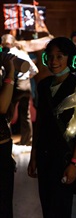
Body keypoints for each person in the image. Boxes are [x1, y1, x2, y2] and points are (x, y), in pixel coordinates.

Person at [27, 37, 76, 218]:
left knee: (61, 207)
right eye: (50, 56)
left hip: (63, 158)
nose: (54, 61)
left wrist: (74, 163)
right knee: (47, 206)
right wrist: (34, 155)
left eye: (60, 56)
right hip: (44, 155)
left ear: (70, 58)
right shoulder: (44, 85)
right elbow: (40, 122)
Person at [1, 34, 39, 146]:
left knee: (7, 113)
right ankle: (27, 141)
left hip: (15, 85)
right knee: (25, 114)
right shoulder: (23, 53)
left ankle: (6, 139)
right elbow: (35, 70)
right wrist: (27, 77)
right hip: (26, 85)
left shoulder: (7, 55)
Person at [0, 50, 17, 218]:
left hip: (4, 147)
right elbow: (2, 107)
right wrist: (10, 72)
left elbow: (7, 113)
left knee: (4, 205)